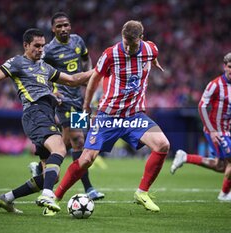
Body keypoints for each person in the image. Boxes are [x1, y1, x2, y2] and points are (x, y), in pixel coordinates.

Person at [0, 28, 92, 213]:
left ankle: (7, 198)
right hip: (35, 113)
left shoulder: (45, 67)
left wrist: (99, 69)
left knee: (50, 175)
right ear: (25, 45)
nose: (40, 49)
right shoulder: (17, 62)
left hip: (48, 114)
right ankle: (49, 194)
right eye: (36, 46)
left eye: (43, 46)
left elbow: (73, 80)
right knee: (61, 147)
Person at [52, 20, 168, 213]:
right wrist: (86, 106)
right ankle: (55, 197)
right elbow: (93, 81)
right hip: (108, 116)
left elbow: (153, 55)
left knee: (163, 144)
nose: (129, 48)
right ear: (122, 36)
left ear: (142, 37)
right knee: (86, 157)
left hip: (134, 116)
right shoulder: (110, 54)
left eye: (133, 44)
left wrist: (155, 62)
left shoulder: (150, 49)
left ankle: (142, 192)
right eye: (126, 42)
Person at [27, 12, 104, 201]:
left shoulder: (78, 41)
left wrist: (88, 77)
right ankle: (89, 188)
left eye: (66, 25)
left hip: (79, 99)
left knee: (67, 142)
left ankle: (41, 166)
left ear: (70, 26)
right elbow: (39, 71)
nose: (63, 29)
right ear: (53, 29)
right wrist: (51, 91)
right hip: (63, 100)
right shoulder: (49, 49)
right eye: (59, 26)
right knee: (79, 139)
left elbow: (86, 60)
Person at [170, 51, 231, 202]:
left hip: (226, 129)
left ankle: (185, 157)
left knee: (221, 167)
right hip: (216, 130)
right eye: (229, 66)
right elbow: (201, 107)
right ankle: (224, 194)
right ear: (224, 66)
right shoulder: (215, 85)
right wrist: (211, 131)